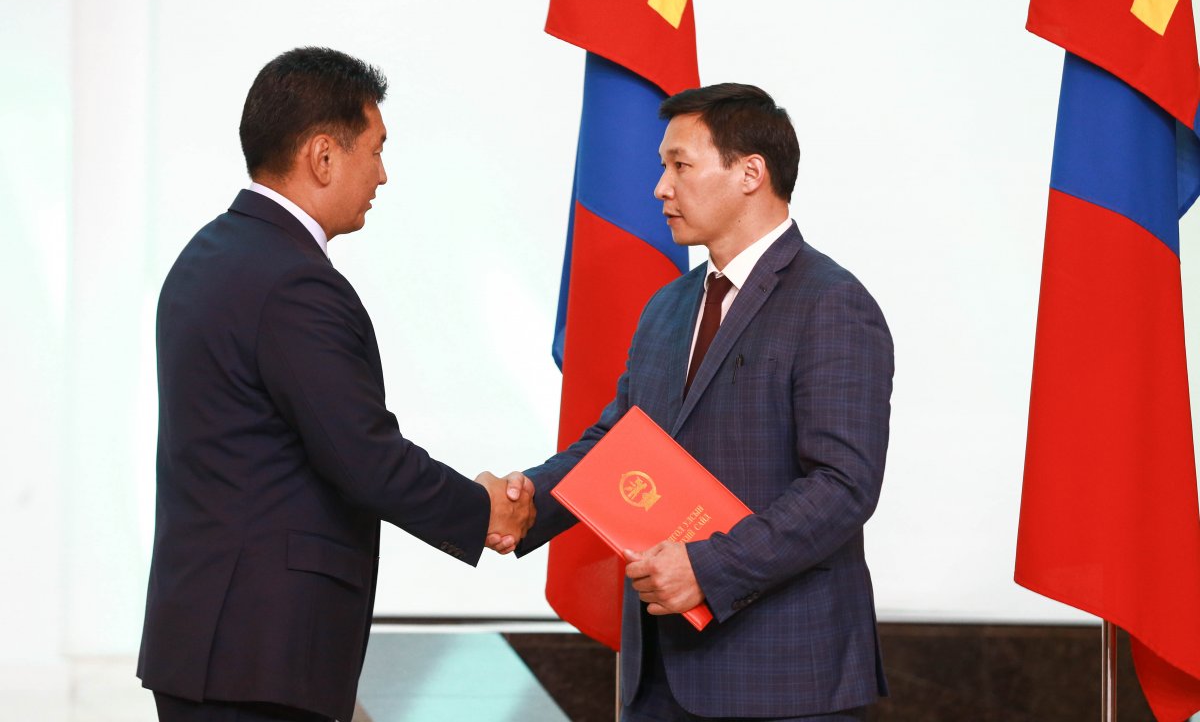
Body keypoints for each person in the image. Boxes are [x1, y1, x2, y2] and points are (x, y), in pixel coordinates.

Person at [138, 47, 532, 722]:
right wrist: (482, 511)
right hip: (260, 657)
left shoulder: (207, 254)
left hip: (209, 644)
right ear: (323, 156)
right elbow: (363, 456)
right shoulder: (295, 281)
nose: (383, 174)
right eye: (375, 150)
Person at [504, 84, 894, 721]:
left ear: (750, 173)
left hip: (782, 680)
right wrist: (526, 501)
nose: (660, 187)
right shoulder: (669, 305)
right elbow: (618, 444)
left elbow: (842, 486)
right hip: (658, 676)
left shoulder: (832, 302)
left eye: (680, 165)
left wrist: (709, 569)